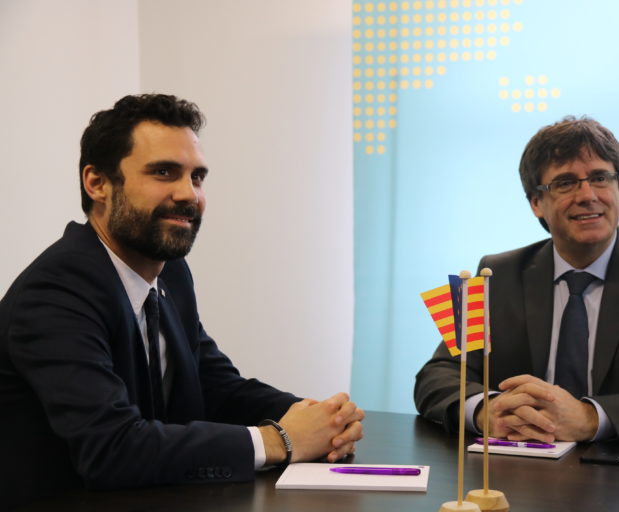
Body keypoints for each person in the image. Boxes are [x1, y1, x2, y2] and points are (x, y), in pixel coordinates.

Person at [0, 94, 364, 508]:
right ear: (97, 184)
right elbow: (111, 449)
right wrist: (281, 440)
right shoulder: (56, 292)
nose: (188, 194)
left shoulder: (170, 272)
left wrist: (321, 419)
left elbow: (215, 386)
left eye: (197, 177)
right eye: (164, 172)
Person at [414, 116, 619, 444]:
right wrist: (486, 411)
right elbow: (437, 375)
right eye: (565, 183)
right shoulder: (495, 274)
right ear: (536, 203)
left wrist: (591, 418)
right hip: (518, 470)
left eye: (601, 178)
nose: (587, 194)